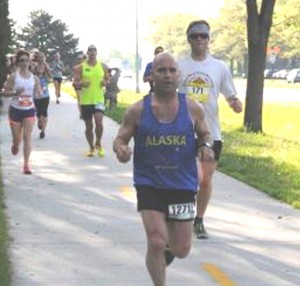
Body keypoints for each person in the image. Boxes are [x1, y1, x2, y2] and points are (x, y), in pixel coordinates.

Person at [113, 52, 214, 286]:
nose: (167, 75)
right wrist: (121, 149)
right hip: (150, 183)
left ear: (179, 74)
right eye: (161, 70)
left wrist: (205, 146)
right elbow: (120, 139)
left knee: (181, 249)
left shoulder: (192, 108)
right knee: (156, 240)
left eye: (172, 70)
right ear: (151, 76)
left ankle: (167, 250)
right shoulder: (137, 110)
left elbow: (205, 133)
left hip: (182, 185)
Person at [178, 20, 243, 239]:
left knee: (205, 179)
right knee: (191, 177)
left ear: (208, 39)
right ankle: (183, 216)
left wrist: (235, 103)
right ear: (189, 40)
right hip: (185, 131)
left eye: (203, 36)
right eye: (194, 36)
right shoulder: (180, 66)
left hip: (212, 132)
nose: (199, 40)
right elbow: (168, 93)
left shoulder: (219, 67)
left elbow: (230, 94)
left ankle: (199, 220)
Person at [1, 50, 41, 174]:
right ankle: (15, 144)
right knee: (17, 139)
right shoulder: (13, 76)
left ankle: (26, 165)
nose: (24, 63)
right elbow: (3, 93)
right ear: (18, 62)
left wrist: (38, 92)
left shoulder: (34, 78)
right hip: (15, 110)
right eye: (22, 60)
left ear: (30, 62)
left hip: (29, 110)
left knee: (27, 136)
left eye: (26, 60)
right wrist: (15, 93)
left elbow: (38, 91)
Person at [73, 44, 108, 157]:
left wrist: (105, 83)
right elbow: (75, 83)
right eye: (90, 50)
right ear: (87, 53)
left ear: (96, 53)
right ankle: (91, 147)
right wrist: (82, 83)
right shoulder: (80, 67)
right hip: (86, 101)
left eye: (94, 50)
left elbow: (107, 79)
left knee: (99, 123)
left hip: (99, 100)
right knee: (89, 127)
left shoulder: (102, 66)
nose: (92, 52)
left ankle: (98, 143)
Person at [33, 51, 52, 139]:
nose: (40, 59)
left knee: (44, 111)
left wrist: (47, 78)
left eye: (42, 57)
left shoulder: (46, 67)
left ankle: (43, 131)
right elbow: (30, 76)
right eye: (39, 57)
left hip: (45, 93)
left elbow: (51, 77)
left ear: (44, 58)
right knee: (38, 111)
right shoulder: (34, 67)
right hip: (36, 93)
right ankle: (39, 120)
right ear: (37, 58)